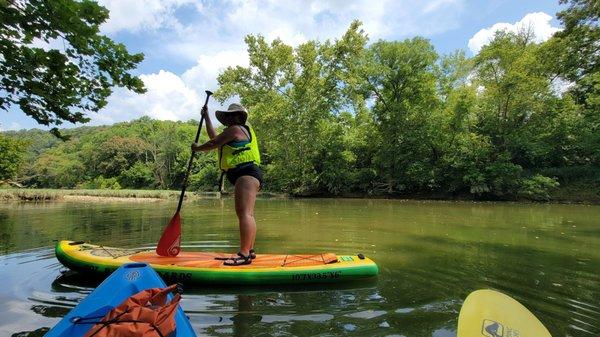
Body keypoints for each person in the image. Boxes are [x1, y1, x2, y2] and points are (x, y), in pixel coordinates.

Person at [191, 103, 263, 266]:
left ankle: (244, 254)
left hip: (246, 173)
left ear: (239, 117)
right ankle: (249, 251)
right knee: (247, 213)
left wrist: (196, 148)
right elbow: (214, 138)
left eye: (232, 115)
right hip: (247, 174)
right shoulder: (233, 133)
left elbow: (211, 144)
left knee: (244, 213)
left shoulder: (236, 129)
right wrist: (207, 117)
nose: (229, 118)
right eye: (228, 116)